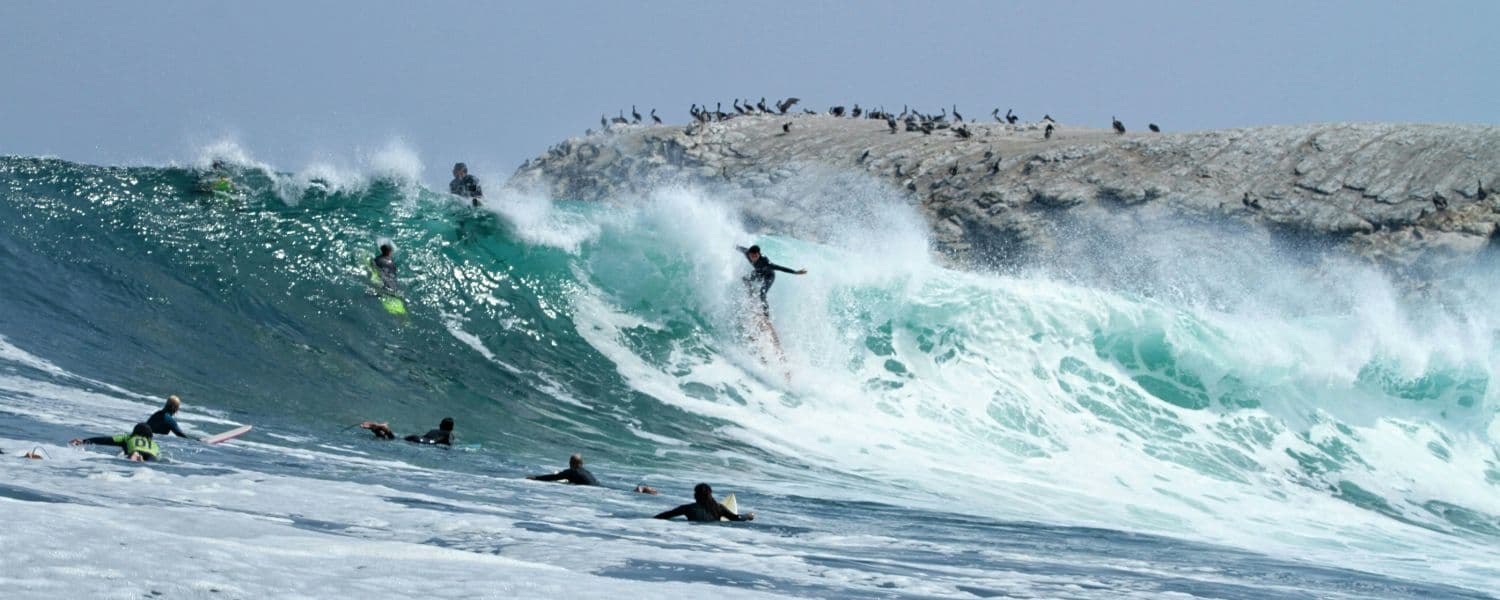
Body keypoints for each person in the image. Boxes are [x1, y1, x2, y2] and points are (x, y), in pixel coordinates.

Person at [736, 244, 806, 357]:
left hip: (769, 276)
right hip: (759, 272)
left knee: (762, 293)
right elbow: (738, 247)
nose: (753, 258)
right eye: (751, 256)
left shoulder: (766, 262)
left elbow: (780, 268)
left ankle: (766, 315)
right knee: (745, 279)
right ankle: (750, 295)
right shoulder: (747, 253)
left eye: (755, 256)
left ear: (758, 254)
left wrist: (795, 272)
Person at [526, 453, 660, 494]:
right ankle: (640, 489)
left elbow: (553, 477)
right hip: (597, 485)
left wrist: (535, 478)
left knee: (624, 492)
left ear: (572, 463)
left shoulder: (571, 471)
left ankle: (639, 489)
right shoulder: (586, 471)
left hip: (593, 490)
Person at [654, 483, 753, 522]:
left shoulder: (687, 508)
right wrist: (748, 516)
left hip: (693, 535)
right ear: (710, 494)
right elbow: (736, 518)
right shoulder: (719, 508)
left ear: (695, 495)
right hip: (713, 536)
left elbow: (666, 515)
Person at [70, 423, 161, 462]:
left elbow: (106, 440)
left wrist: (84, 441)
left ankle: (136, 455)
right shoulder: (155, 444)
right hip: (152, 455)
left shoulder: (128, 437)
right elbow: (159, 456)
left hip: (135, 450)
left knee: (133, 455)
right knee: (150, 462)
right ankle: (140, 459)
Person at [359, 417, 454, 446]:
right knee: (392, 440)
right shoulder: (449, 434)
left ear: (440, 425)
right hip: (423, 441)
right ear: (452, 428)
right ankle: (385, 429)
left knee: (394, 439)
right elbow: (449, 443)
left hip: (416, 437)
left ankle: (377, 430)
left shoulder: (434, 430)